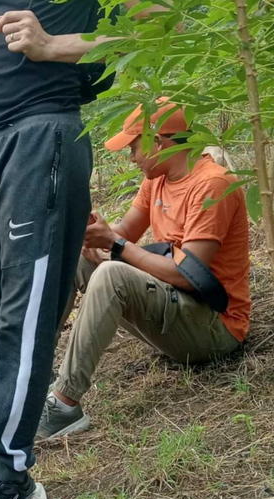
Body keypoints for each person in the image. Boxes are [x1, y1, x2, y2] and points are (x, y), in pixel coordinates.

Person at [0, 2, 168, 499]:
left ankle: (9, 475)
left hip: (42, 137)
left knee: (26, 309)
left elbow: (162, 26)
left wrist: (52, 46)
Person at [36, 99, 251, 439]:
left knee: (111, 273)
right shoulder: (158, 179)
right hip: (174, 307)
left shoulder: (212, 184)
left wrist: (116, 247)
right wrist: (91, 233)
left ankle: (64, 406)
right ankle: (37, 374)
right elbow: (122, 236)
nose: (131, 157)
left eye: (134, 147)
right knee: (79, 261)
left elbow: (187, 274)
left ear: (159, 142)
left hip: (214, 329)